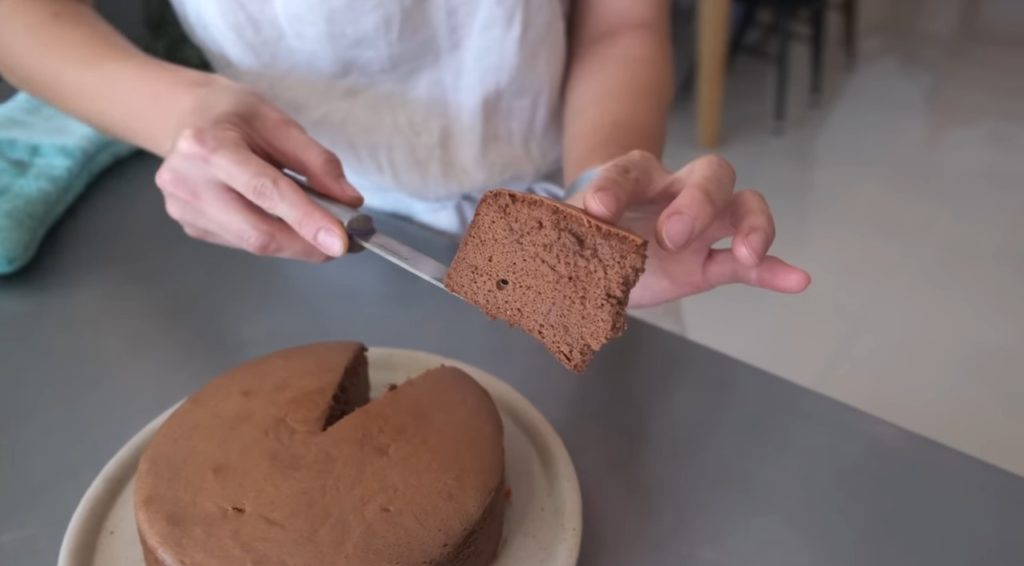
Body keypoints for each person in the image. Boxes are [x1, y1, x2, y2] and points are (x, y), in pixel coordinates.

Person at [0, 0, 809, 307]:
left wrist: (596, 198)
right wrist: (182, 112)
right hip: (295, 229)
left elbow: (621, 22)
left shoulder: (573, 230)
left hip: (546, 214)